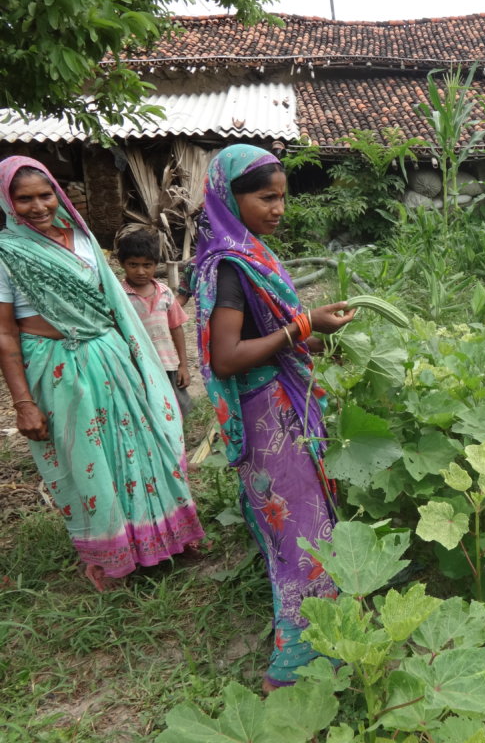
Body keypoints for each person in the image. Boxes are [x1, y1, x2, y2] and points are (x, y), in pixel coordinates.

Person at [0, 156, 205, 591]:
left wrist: (138, 360)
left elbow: (110, 304)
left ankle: (167, 534)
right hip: (57, 366)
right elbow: (5, 334)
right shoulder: (7, 254)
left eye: (45, 194)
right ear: (7, 202)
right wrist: (23, 402)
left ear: (58, 193)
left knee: (142, 444)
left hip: (111, 356)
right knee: (89, 460)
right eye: (24, 199)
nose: (38, 206)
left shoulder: (84, 240)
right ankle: (111, 556)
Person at [192, 144, 355, 691]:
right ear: (230, 198)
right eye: (266, 198)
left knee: (303, 521)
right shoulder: (230, 265)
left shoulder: (251, 250)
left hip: (282, 403)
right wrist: (304, 327)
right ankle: (297, 666)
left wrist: (316, 336)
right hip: (266, 411)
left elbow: (266, 334)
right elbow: (226, 357)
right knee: (297, 527)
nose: (279, 208)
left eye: (283, 197)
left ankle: (327, 624)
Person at [117, 230, 193, 416]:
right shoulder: (118, 295)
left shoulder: (165, 292)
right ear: (122, 263)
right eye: (133, 265)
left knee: (175, 410)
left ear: (156, 264)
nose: (140, 271)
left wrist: (183, 365)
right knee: (146, 412)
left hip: (167, 364)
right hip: (136, 367)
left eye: (147, 265)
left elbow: (176, 327)